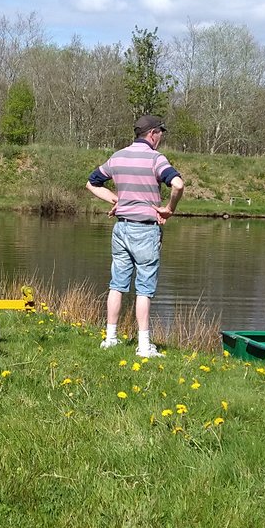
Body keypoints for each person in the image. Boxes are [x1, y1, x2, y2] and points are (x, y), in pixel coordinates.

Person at [86, 114, 185, 358]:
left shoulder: (118, 157)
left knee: (117, 285)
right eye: (160, 132)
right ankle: (143, 346)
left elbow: (91, 183)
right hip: (145, 230)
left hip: (121, 229)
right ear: (152, 134)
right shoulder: (156, 159)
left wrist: (115, 200)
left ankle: (110, 338)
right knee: (144, 289)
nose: (161, 137)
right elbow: (178, 184)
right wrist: (169, 209)